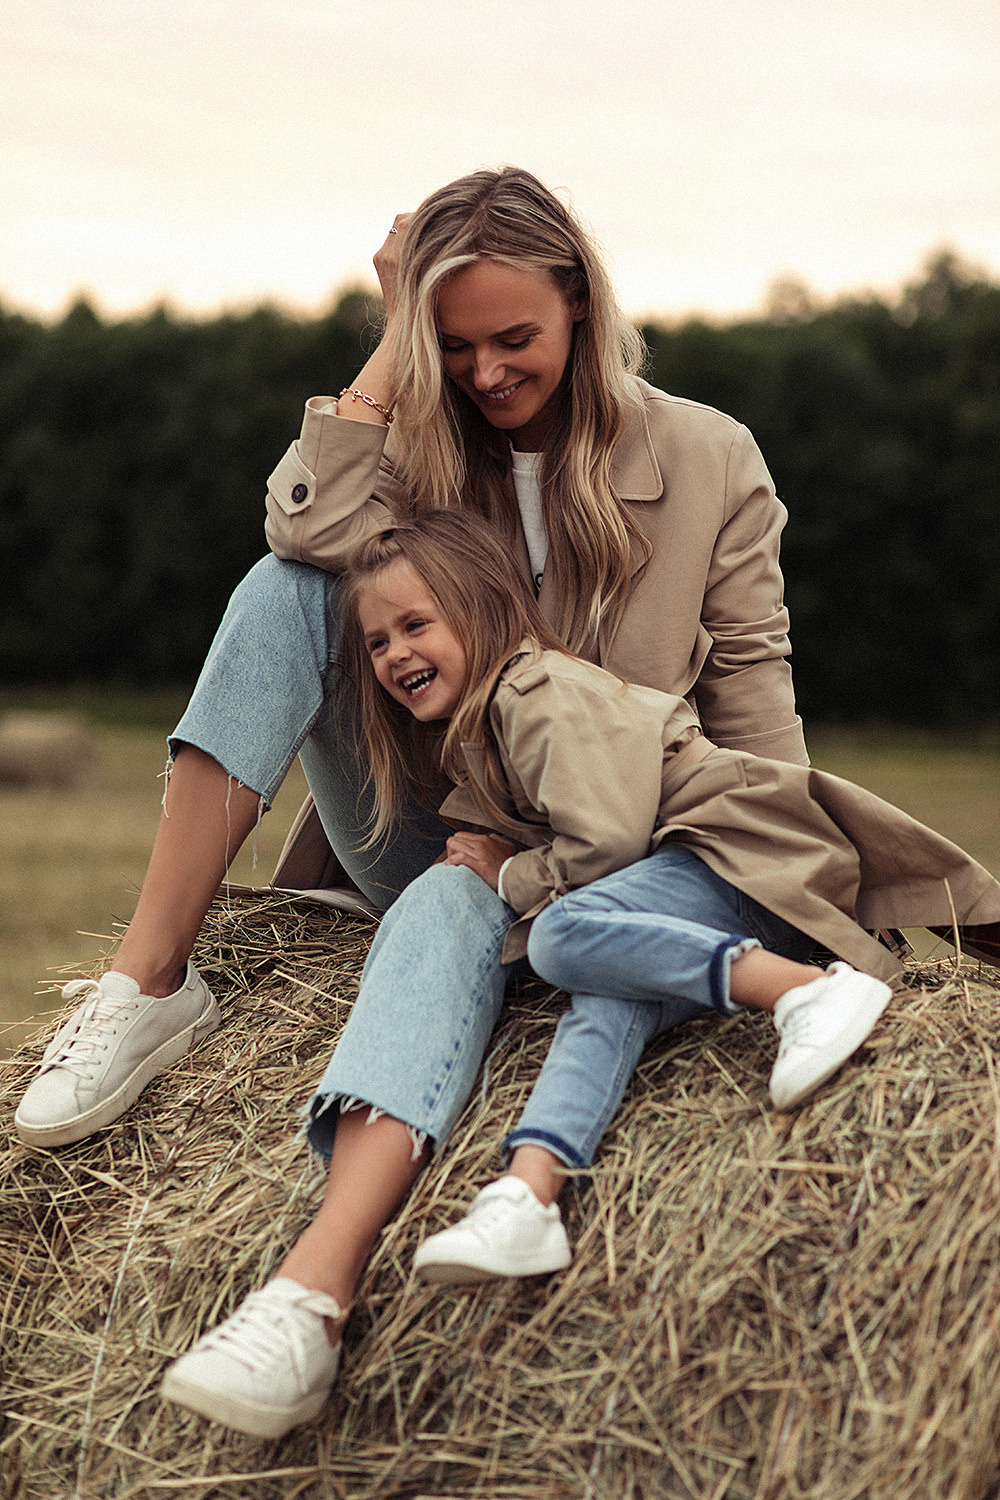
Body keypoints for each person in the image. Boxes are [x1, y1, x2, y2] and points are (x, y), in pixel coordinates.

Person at [161, 511, 1000, 1435]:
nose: (394, 653)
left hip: (735, 858)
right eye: (376, 641)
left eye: (416, 625)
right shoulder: (481, 737)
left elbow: (601, 845)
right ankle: (529, 1189)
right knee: (607, 992)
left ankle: (804, 991)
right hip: (680, 882)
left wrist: (507, 875)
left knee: (568, 937)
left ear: (483, 614)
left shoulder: (535, 691)